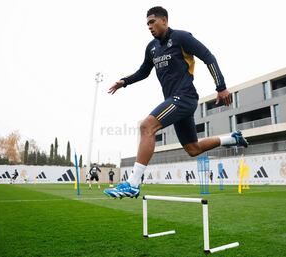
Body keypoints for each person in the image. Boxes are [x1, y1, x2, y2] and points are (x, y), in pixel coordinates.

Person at [104, 6, 248, 199]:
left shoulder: (181, 37)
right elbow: (143, 71)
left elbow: (208, 57)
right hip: (174, 101)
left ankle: (133, 183)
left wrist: (221, 86)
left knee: (147, 126)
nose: (149, 27)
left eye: (152, 22)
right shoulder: (152, 48)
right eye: (147, 24)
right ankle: (232, 138)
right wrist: (125, 81)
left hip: (185, 97)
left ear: (164, 20)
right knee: (193, 149)